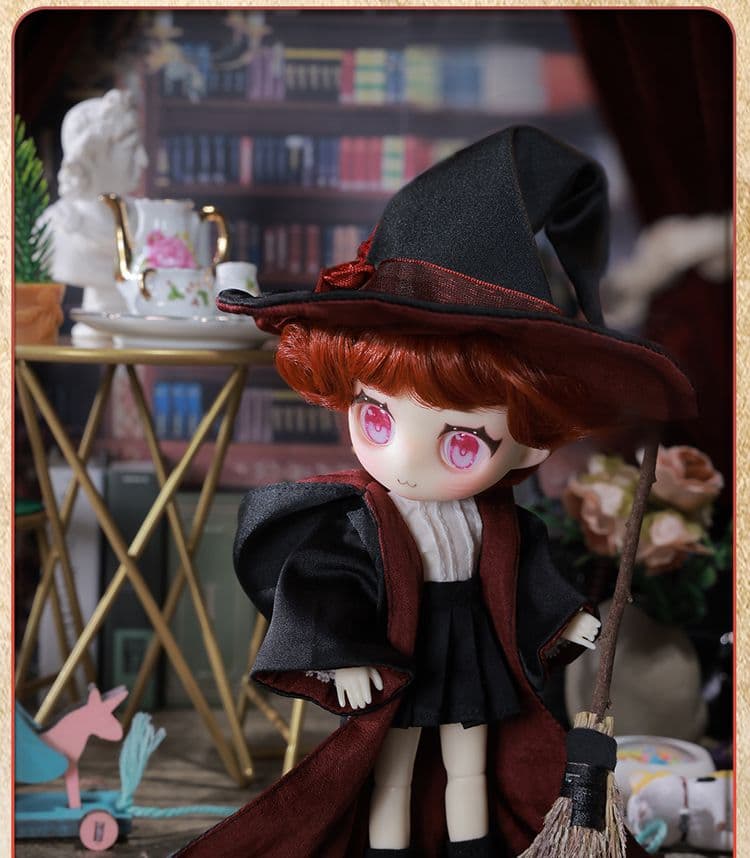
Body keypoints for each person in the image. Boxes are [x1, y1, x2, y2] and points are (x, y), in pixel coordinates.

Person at [175, 126, 696, 858]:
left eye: (461, 442)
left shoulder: (498, 520)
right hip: (398, 647)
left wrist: (565, 620)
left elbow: (527, 573)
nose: (406, 461)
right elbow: (327, 584)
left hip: (471, 640)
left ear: (531, 444)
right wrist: (344, 653)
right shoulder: (354, 516)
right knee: (391, 764)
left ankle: (470, 848)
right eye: (376, 417)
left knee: (469, 760)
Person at [39, 88, 148, 343]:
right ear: (94, 154)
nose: (144, 160)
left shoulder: (147, 221)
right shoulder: (53, 230)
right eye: (132, 147)